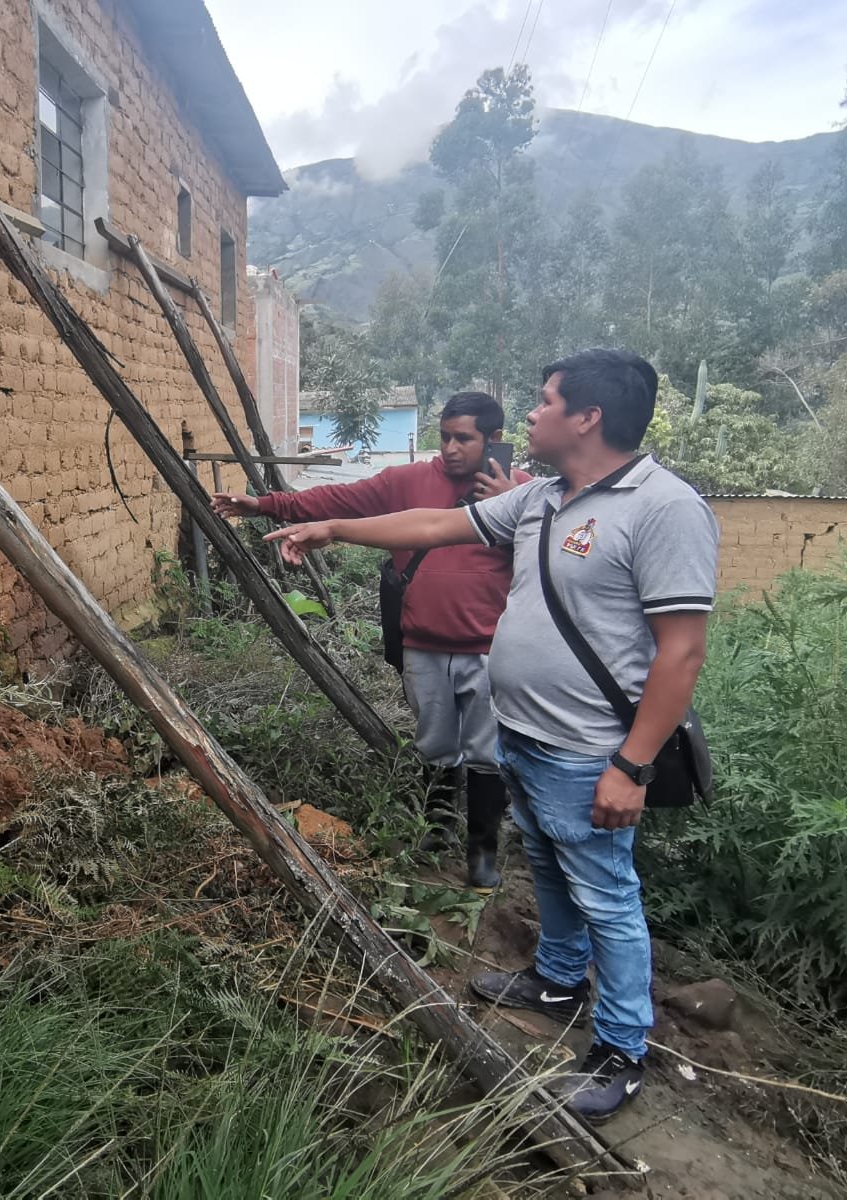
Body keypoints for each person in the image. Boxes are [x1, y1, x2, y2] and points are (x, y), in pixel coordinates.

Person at [262, 349, 718, 1123]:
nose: (530, 415)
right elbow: (437, 523)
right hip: (526, 734)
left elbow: (680, 651)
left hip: (590, 751)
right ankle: (557, 977)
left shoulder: (662, 507)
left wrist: (630, 767)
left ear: (587, 417)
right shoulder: (541, 497)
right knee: (543, 863)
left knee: (607, 896)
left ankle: (620, 1049)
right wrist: (329, 523)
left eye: (543, 401)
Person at [212, 392, 527, 891]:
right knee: (437, 745)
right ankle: (436, 831)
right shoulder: (408, 482)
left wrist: (511, 508)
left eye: (463, 439)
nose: (449, 448)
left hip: (491, 648)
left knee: (487, 752)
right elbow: (337, 500)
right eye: (444, 436)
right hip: (423, 641)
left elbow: (555, 553)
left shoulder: (522, 493)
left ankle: (483, 851)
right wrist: (262, 506)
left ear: (494, 440)